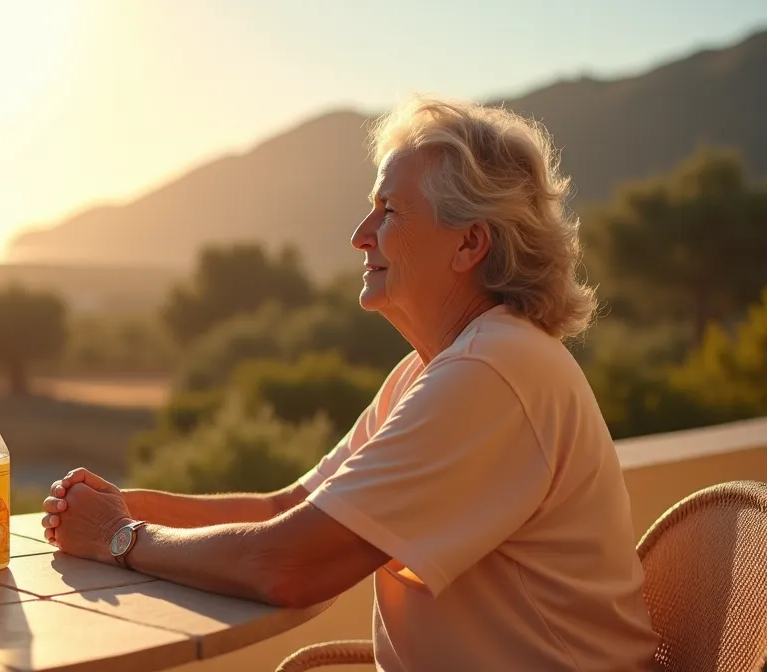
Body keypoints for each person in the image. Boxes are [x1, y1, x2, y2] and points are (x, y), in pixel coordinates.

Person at [40, 95, 660, 670]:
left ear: (470, 242)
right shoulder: (437, 366)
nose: (361, 235)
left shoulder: (491, 373)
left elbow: (288, 564)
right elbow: (286, 509)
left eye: (389, 211)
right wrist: (119, 506)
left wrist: (119, 537)